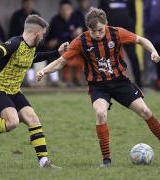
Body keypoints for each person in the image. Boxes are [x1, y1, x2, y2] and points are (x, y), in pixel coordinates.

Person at [36, 8, 160, 167]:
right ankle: (106, 160)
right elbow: (61, 62)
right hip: (98, 86)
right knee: (100, 113)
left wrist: (153, 51)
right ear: (88, 28)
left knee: (146, 112)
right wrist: (43, 71)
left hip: (120, 82)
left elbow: (141, 40)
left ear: (106, 25)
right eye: (93, 31)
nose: (97, 33)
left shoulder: (116, 33)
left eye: (100, 30)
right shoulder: (81, 41)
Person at [0, 14, 68, 169]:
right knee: (12, 122)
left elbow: (35, 57)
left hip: (13, 91)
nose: (42, 38)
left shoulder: (30, 47)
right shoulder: (14, 43)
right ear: (35, 31)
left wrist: (57, 52)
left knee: (33, 120)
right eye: (42, 33)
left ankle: (44, 162)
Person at [99, 0, 142, 87]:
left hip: (127, 32)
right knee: (106, 57)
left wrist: (132, 33)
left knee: (133, 56)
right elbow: (101, 16)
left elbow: (133, 16)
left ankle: (139, 83)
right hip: (110, 34)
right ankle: (105, 82)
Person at [45, 0, 83, 87]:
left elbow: (81, 33)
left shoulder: (77, 18)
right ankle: (55, 81)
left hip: (74, 46)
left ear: (71, 9)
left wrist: (75, 33)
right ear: (60, 10)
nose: (65, 11)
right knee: (49, 51)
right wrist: (67, 35)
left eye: (67, 9)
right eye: (63, 9)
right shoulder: (55, 20)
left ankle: (77, 79)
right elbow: (52, 38)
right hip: (59, 46)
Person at [9, 0, 40, 87]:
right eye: (26, 2)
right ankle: (18, 80)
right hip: (19, 41)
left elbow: (40, 30)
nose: (28, 4)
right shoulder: (17, 15)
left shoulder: (36, 15)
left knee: (33, 54)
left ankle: (30, 80)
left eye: (30, 2)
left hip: (33, 42)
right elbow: (12, 32)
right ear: (23, 3)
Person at [143, 0, 160, 90]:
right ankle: (157, 81)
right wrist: (146, 30)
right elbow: (146, 15)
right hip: (154, 37)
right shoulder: (149, 2)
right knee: (157, 60)